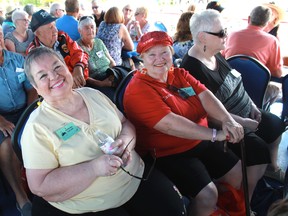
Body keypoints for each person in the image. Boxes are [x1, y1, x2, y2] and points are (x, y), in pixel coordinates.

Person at [21, 46, 187, 216]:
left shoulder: (92, 94)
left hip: (136, 176)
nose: (54, 76)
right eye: (43, 75)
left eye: (57, 67)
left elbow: (125, 123)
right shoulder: (36, 127)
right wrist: (94, 168)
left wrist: (125, 143)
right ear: (35, 87)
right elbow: (39, 185)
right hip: (90, 204)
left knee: (177, 209)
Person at [123, 31, 245, 216]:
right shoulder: (138, 89)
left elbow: (206, 96)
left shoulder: (177, 73)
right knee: (207, 195)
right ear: (142, 60)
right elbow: (170, 124)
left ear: (172, 53)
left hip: (199, 139)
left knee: (236, 172)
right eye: (151, 54)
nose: (159, 59)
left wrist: (227, 120)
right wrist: (215, 134)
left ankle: (226, 211)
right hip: (166, 153)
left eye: (164, 52)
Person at [181, 9, 284, 202]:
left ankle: (269, 169)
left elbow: (235, 82)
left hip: (246, 112)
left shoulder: (216, 53)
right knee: (259, 152)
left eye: (226, 30)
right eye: (221, 33)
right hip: (228, 123)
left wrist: (253, 105)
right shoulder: (191, 70)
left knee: (275, 125)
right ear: (202, 37)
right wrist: (243, 122)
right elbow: (205, 114)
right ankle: (246, 201)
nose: (226, 36)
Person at [0, 25, 38, 216]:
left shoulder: (18, 60)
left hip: (24, 110)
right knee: (8, 144)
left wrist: (30, 112)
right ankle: (20, 197)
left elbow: (31, 88)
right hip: (2, 117)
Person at [223, 5, 283, 107]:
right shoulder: (272, 41)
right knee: (276, 90)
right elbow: (277, 73)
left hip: (229, 91)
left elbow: (223, 59)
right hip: (255, 93)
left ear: (249, 18)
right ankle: (262, 113)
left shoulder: (231, 35)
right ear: (266, 23)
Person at [27, 9, 89, 88]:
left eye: (54, 26)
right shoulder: (33, 52)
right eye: (50, 28)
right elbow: (42, 80)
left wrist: (78, 67)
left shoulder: (62, 37)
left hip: (79, 83)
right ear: (38, 33)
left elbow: (79, 53)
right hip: (58, 90)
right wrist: (68, 83)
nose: (55, 30)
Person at [77, 15, 116, 98]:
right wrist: (101, 83)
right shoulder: (76, 47)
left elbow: (112, 62)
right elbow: (82, 76)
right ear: (79, 30)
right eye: (86, 28)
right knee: (113, 97)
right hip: (95, 83)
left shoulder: (99, 42)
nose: (90, 30)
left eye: (92, 27)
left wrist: (113, 75)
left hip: (109, 75)